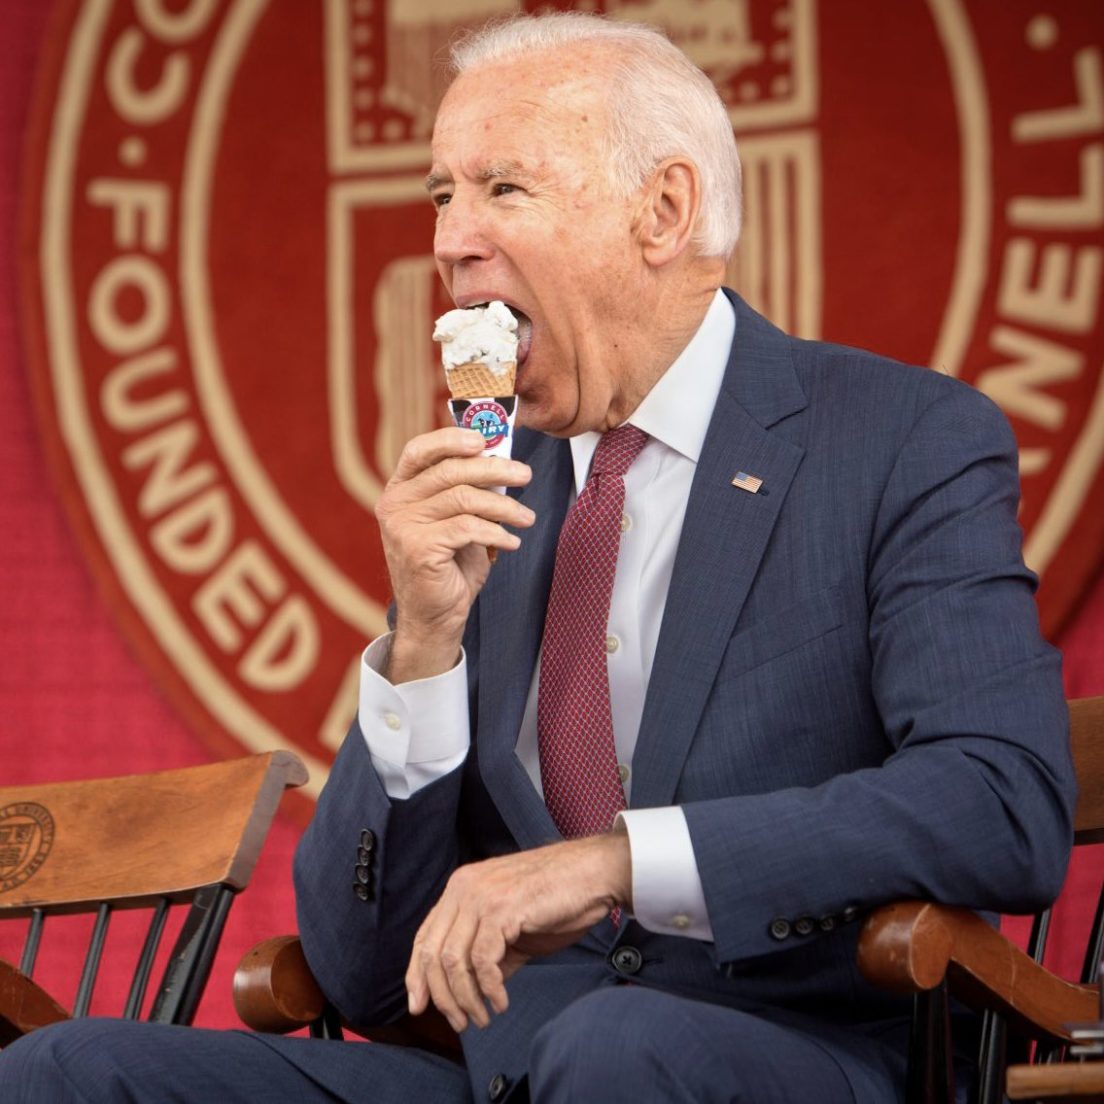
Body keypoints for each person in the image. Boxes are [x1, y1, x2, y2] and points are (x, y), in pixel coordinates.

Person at [0, 11, 1076, 1103]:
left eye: (503, 188)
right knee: (65, 1071)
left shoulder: (900, 441)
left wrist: (618, 862)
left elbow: (1001, 800)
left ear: (663, 211)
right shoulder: (489, 493)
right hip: (517, 1075)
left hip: (800, 1057)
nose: (449, 241)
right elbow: (361, 972)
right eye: (441, 195)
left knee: (611, 1049)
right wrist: (422, 646)